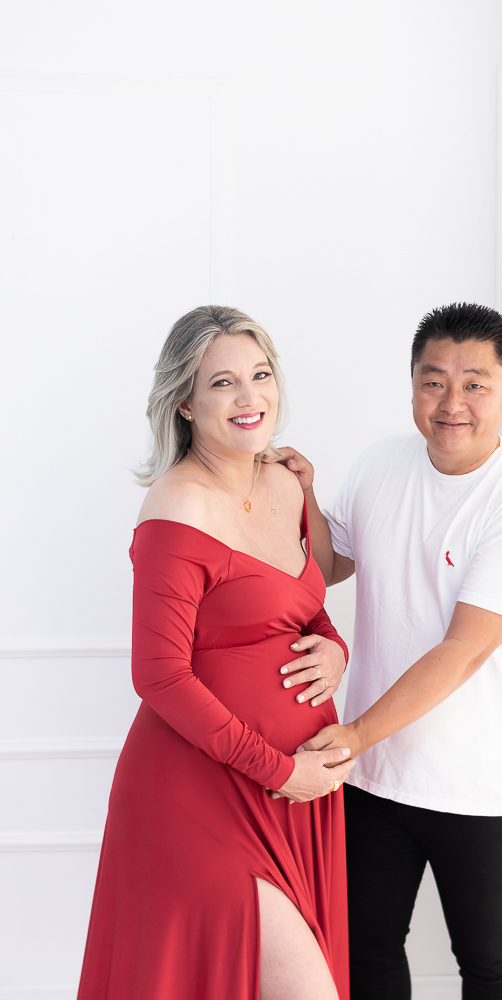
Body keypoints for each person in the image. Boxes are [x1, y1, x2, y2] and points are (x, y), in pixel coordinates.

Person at [274, 304, 502, 1000]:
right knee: (365, 948)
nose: (452, 402)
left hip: (477, 780)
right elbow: (328, 562)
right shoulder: (382, 463)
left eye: (474, 383)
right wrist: (302, 495)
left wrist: (351, 735)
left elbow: (462, 650)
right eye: (433, 381)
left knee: (488, 960)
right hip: (376, 777)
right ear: (411, 387)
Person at [77, 306, 355, 1000]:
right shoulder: (176, 507)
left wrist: (338, 650)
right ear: (184, 403)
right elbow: (159, 675)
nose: (248, 396)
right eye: (222, 382)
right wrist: (280, 770)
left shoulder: (286, 481)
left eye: (259, 375)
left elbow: (303, 605)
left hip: (294, 793)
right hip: (201, 794)